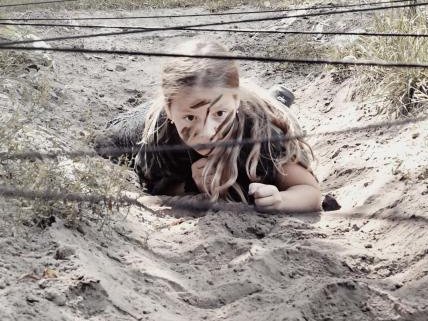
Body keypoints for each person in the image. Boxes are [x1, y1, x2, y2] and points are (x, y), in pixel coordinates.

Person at [94, 39, 322, 213]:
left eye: (220, 114)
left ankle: (278, 97)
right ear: (170, 110)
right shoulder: (159, 131)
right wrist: (193, 188)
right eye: (190, 118)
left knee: (276, 109)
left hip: (259, 110)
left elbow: (310, 193)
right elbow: (155, 186)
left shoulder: (262, 133)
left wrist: (280, 200)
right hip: (165, 113)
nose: (207, 133)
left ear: (236, 103)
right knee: (104, 142)